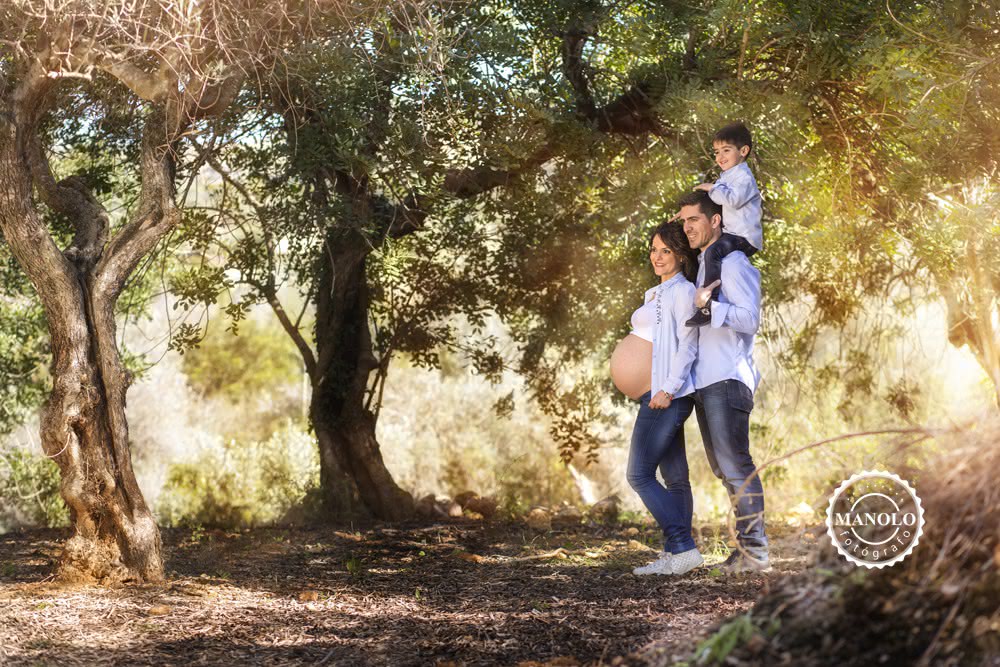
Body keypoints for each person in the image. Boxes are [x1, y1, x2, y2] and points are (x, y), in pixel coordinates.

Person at [678, 190, 770, 573]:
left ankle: (756, 553)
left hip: (729, 378)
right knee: (724, 468)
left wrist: (708, 306)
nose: (687, 228)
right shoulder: (704, 266)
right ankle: (747, 550)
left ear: (716, 221)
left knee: (736, 466)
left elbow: (750, 319)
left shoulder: (732, 263)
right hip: (707, 381)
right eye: (683, 222)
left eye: (694, 220)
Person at [616, 220, 703, 576]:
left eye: (665, 251)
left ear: (681, 256)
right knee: (675, 477)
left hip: (666, 394)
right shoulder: (656, 293)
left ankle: (683, 547)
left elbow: (690, 342)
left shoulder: (683, 292)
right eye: (654, 250)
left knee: (638, 474)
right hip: (655, 393)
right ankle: (675, 556)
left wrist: (668, 388)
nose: (657, 256)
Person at [685, 122, 762, 327]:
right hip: (733, 233)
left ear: (743, 151)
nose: (719, 157)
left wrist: (711, 187)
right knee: (704, 253)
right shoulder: (728, 175)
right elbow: (713, 201)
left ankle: (709, 305)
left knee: (713, 253)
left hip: (744, 237)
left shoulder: (744, 177)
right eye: (717, 152)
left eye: (726, 151)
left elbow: (733, 199)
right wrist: (685, 213)